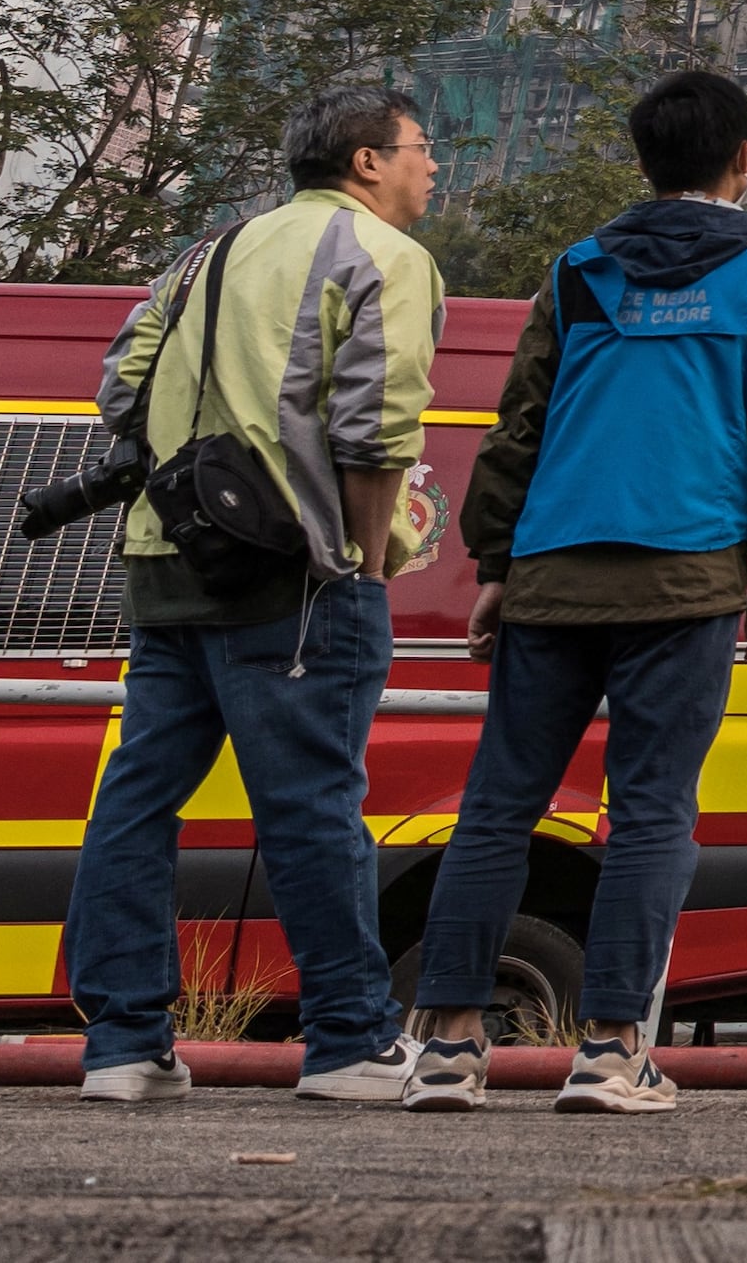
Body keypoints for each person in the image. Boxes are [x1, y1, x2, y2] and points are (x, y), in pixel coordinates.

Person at [403, 65, 747, 1113]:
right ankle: (611, 1051)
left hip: (551, 571)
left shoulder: (577, 270)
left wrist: (495, 564)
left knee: (497, 809)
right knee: (647, 813)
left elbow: (519, 426)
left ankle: (447, 1050)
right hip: (686, 575)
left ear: (641, 161)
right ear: (743, 158)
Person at [62, 84, 453, 1105]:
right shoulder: (386, 257)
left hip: (167, 563)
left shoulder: (208, 250)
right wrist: (369, 558)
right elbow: (375, 431)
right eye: (421, 148)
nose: (432, 166)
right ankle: (350, 1041)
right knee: (314, 805)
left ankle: (123, 1044)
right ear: (366, 161)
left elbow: (120, 389)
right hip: (297, 576)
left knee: (138, 801)